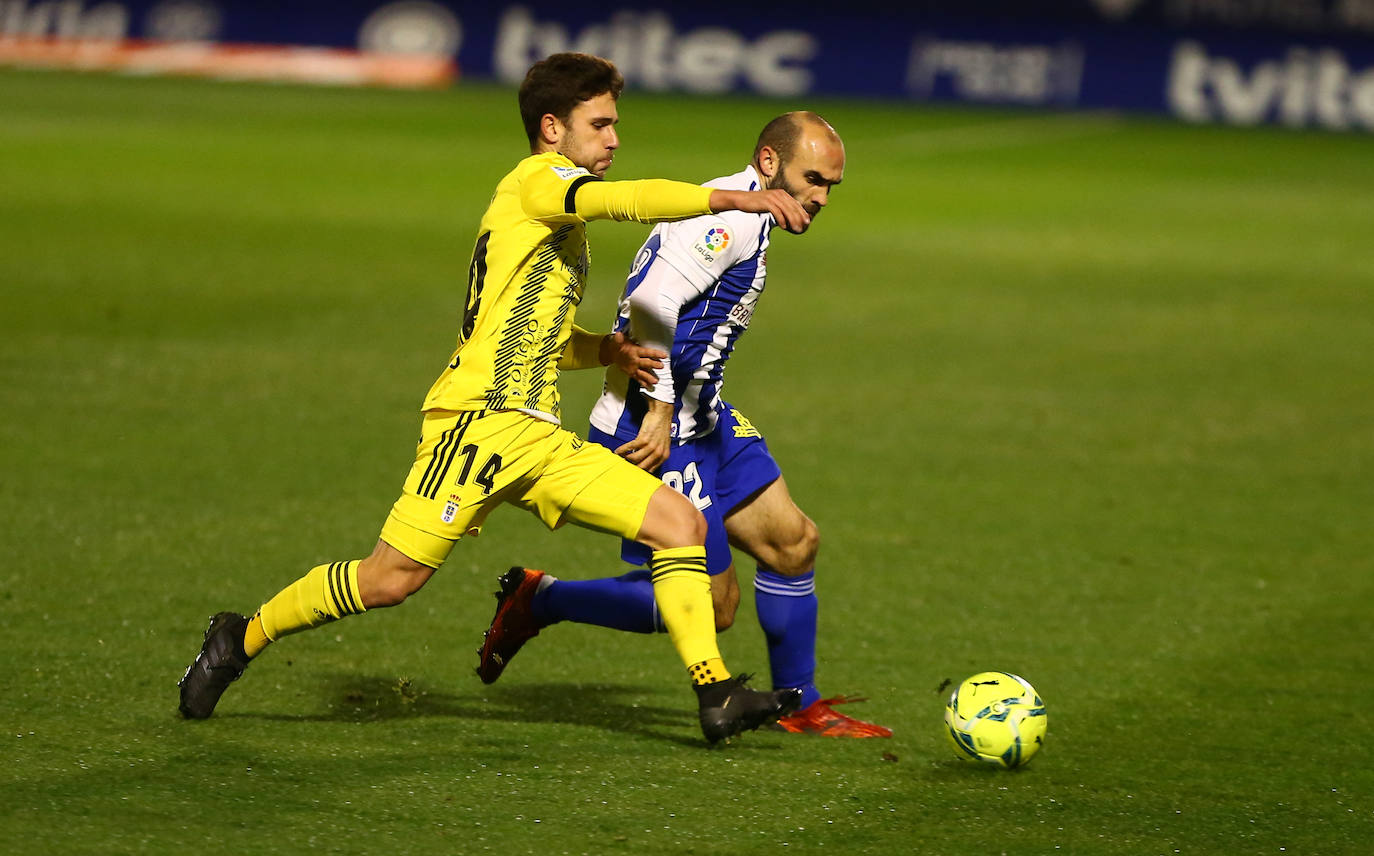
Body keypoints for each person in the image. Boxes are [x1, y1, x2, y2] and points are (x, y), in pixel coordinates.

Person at [177, 52, 813, 745]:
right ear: (552, 127)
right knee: (390, 580)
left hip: (536, 436)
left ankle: (715, 695)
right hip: (476, 424)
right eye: (599, 125)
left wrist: (604, 349)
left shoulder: (550, 224)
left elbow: (531, 335)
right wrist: (730, 197)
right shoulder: (538, 182)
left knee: (678, 522)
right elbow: (621, 201)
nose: (613, 139)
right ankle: (242, 636)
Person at [476, 112, 891, 738]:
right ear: (770, 165)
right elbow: (648, 302)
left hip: (706, 418)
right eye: (813, 179)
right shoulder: (726, 222)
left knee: (792, 543)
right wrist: (665, 407)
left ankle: (799, 705)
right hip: (651, 428)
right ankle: (541, 599)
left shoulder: (752, 217)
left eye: (832, 185)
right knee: (716, 609)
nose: (821, 197)